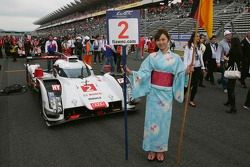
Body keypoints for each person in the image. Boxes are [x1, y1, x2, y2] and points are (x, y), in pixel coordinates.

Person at [125, 29, 189, 162]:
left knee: (164, 122)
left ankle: (160, 149)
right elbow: (144, 73)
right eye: (158, 40)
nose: (161, 42)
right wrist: (132, 73)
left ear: (168, 40)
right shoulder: (152, 57)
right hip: (153, 93)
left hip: (166, 95)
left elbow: (179, 74)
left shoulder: (176, 58)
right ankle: (151, 148)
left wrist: (187, 71)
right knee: (151, 121)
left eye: (163, 39)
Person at [184, 32, 205, 107]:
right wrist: (186, 68)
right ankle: (183, 94)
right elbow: (186, 58)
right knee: (189, 84)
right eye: (196, 36)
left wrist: (203, 67)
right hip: (191, 67)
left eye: (199, 36)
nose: (198, 38)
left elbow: (201, 58)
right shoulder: (189, 46)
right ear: (193, 37)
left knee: (195, 85)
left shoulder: (200, 46)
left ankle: (191, 100)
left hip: (198, 67)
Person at [224, 37, 242, 113]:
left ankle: (233, 107)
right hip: (236, 70)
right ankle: (229, 102)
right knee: (231, 87)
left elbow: (226, 57)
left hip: (231, 70)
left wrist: (226, 58)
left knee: (230, 88)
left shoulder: (232, 50)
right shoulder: (240, 50)